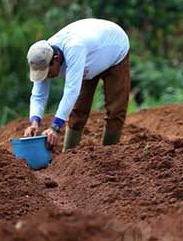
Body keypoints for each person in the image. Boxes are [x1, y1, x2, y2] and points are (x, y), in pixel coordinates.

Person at [23, 18, 131, 151]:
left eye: (47, 72)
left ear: (56, 59)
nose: (45, 77)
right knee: (78, 110)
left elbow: (71, 91)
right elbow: (38, 95)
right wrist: (34, 122)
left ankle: (109, 153)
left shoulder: (74, 49)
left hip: (114, 48)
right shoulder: (43, 55)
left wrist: (55, 127)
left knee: (116, 110)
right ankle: (68, 155)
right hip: (90, 55)